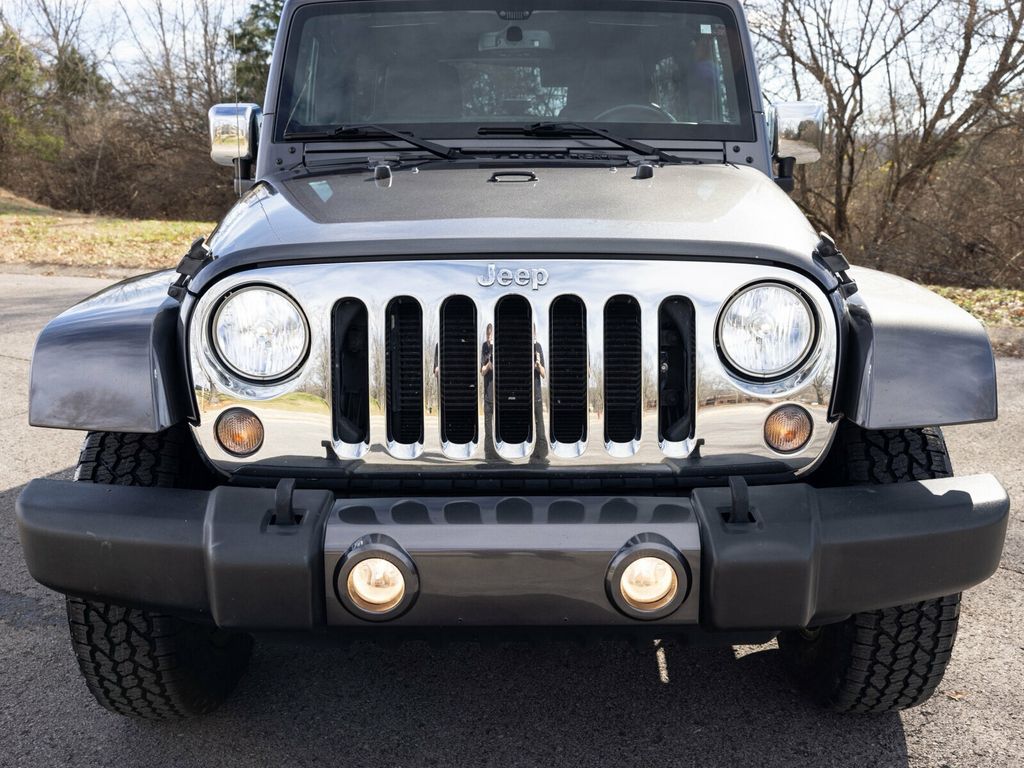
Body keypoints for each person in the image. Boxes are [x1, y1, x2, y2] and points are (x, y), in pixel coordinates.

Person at [480, 324, 499, 459]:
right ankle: (489, 453)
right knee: (488, 425)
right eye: (487, 335)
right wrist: (488, 365)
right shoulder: (484, 348)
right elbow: (482, 371)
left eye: (491, 335)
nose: (489, 338)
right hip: (488, 394)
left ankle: (499, 452)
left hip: (499, 395)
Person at [532, 324, 549, 463]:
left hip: (536, 394)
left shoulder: (538, 347)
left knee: (540, 424)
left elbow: (544, 374)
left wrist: (538, 366)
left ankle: (542, 452)